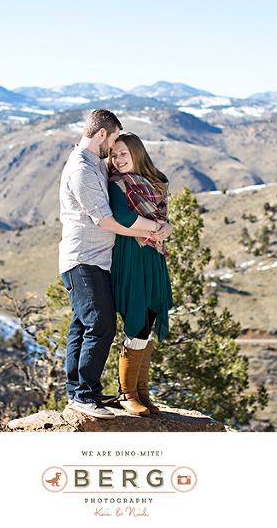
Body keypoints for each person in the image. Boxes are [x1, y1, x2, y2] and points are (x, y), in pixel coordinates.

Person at [58, 110, 172, 419]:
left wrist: (160, 228)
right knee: (100, 322)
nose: (114, 150)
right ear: (102, 134)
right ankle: (84, 396)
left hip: (97, 259)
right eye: (114, 139)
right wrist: (154, 230)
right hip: (83, 259)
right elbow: (107, 220)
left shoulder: (94, 164)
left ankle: (81, 392)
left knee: (83, 325)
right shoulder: (81, 169)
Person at [107, 133, 174, 416]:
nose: (118, 159)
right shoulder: (117, 184)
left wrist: (167, 227)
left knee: (149, 320)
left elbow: (163, 219)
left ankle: (142, 392)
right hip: (132, 257)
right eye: (114, 155)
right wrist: (157, 227)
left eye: (123, 153)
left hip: (152, 255)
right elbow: (123, 217)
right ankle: (127, 393)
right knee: (137, 322)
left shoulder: (153, 184)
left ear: (137, 153)